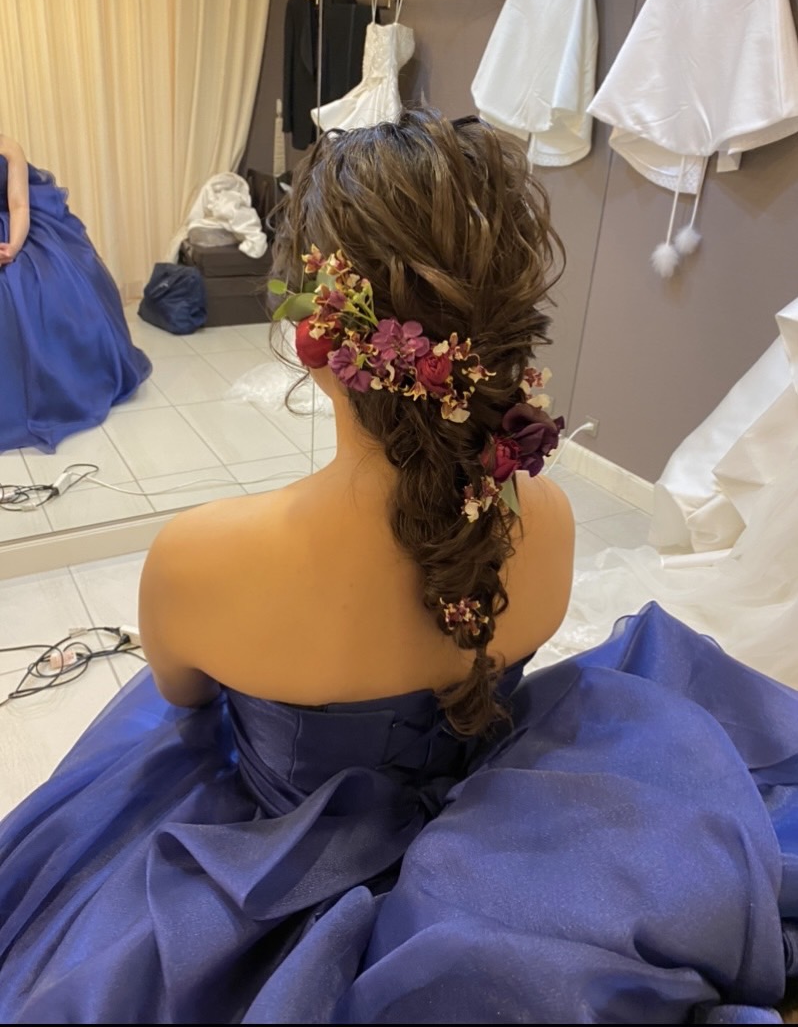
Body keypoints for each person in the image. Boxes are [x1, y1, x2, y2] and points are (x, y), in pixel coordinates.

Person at [1, 110, 797, 1025]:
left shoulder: (202, 558)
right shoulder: (550, 517)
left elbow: (184, 707)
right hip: (520, 852)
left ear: (313, 336)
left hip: (271, 867)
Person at [0, 133, 151, 453]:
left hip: (13, 232)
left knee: (46, 287)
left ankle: (61, 389)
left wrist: (12, 248)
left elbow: (19, 204)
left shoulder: (8, 146)